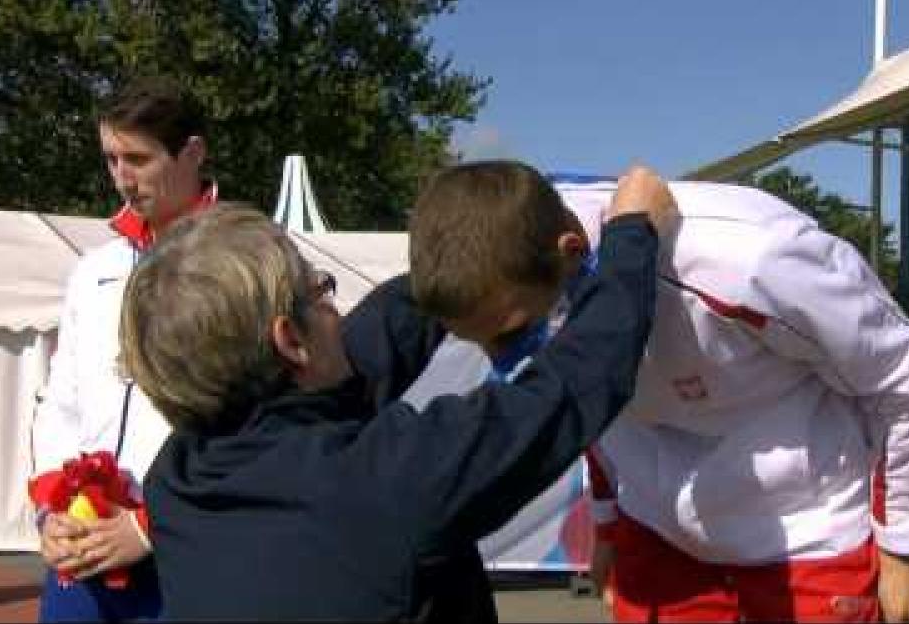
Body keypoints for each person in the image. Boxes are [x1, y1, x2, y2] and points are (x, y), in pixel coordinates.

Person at [122, 168, 677, 621]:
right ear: (291, 342)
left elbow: (370, 348)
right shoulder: (380, 484)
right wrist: (632, 232)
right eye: (322, 293)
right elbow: (576, 382)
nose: (337, 312)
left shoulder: (176, 479)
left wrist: (471, 253)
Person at [406, 161, 909, 623]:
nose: (504, 360)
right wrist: (609, 527)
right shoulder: (510, 268)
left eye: (512, 333)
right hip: (658, 535)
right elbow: (595, 405)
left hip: (804, 535)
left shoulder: (751, 257)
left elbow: (902, 375)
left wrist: (904, 544)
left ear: (570, 251)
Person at [29, 76, 216, 621]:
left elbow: (259, 418)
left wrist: (149, 525)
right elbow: (61, 400)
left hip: (189, 554)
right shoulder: (94, 270)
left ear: (193, 152)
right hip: (81, 548)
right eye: (111, 159)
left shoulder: (245, 260)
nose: (122, 179)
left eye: (137, 158)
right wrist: (50, 510)